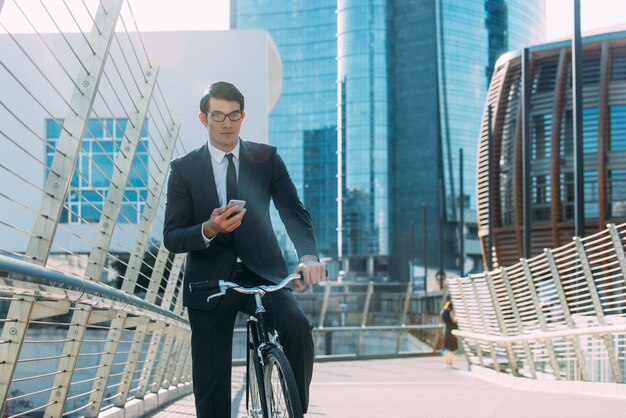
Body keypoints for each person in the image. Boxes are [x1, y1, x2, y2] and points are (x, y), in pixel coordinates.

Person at [163, 81, 326, 417]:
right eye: (218, 115)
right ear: (203, 118)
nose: (226, 123)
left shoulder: (266, 158)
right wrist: (209, 228)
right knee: (212, 385)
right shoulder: (184, 169)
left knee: (297, 327)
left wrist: (308, 255)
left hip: (263, 272)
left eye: (233, 115)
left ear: (243, 116)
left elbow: (292, 211)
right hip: (210, 283)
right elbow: (173, 236)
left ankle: (296, 409)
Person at [440, 300, 458, 369]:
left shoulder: (443, 312)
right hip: (452, 331)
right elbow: (453, 320)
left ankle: (447, 363)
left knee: (447, 348)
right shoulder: (450, 312)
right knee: (452, 348)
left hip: (447, 330)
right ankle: (450, 363)